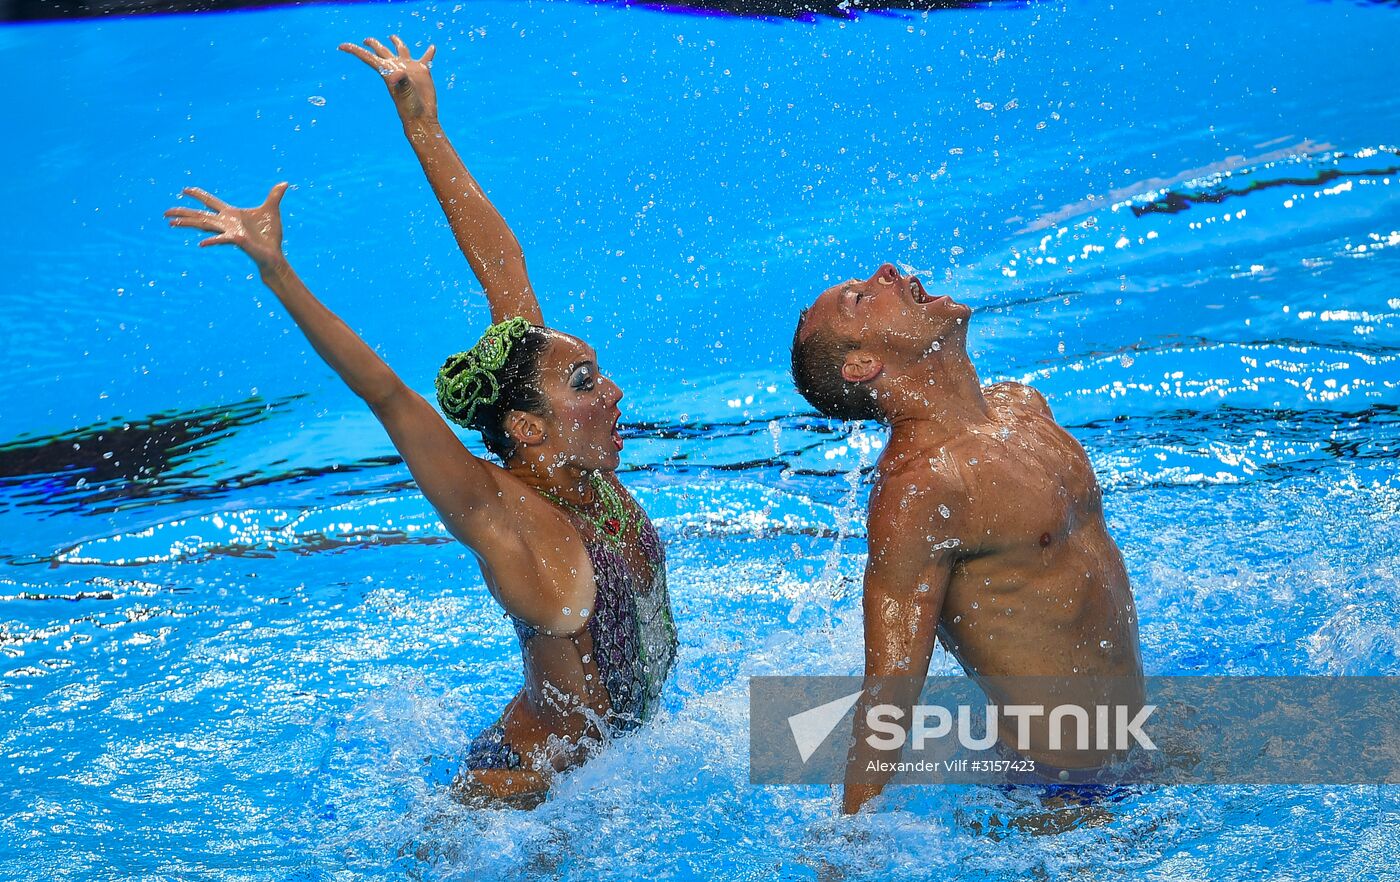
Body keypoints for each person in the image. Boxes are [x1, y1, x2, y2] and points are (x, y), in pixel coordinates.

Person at [165, 35, 677, 806]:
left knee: (852, 739)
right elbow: (386, 394)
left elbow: (504, 267)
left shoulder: (575, 460)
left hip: (627, 768)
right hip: (527, 798)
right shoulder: (499, 511)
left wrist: (423, 127)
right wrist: (277, 272)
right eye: (584, 382)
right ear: (529, 427)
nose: (612, 392)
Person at [789, 264, 1145, 814]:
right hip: (1061, 794)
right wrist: (850, 843)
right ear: (863, 365)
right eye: (859, 299)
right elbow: (890, 693)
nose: (886, 272)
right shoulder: (919, 489)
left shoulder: (1022, 408)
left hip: (1137, 744)